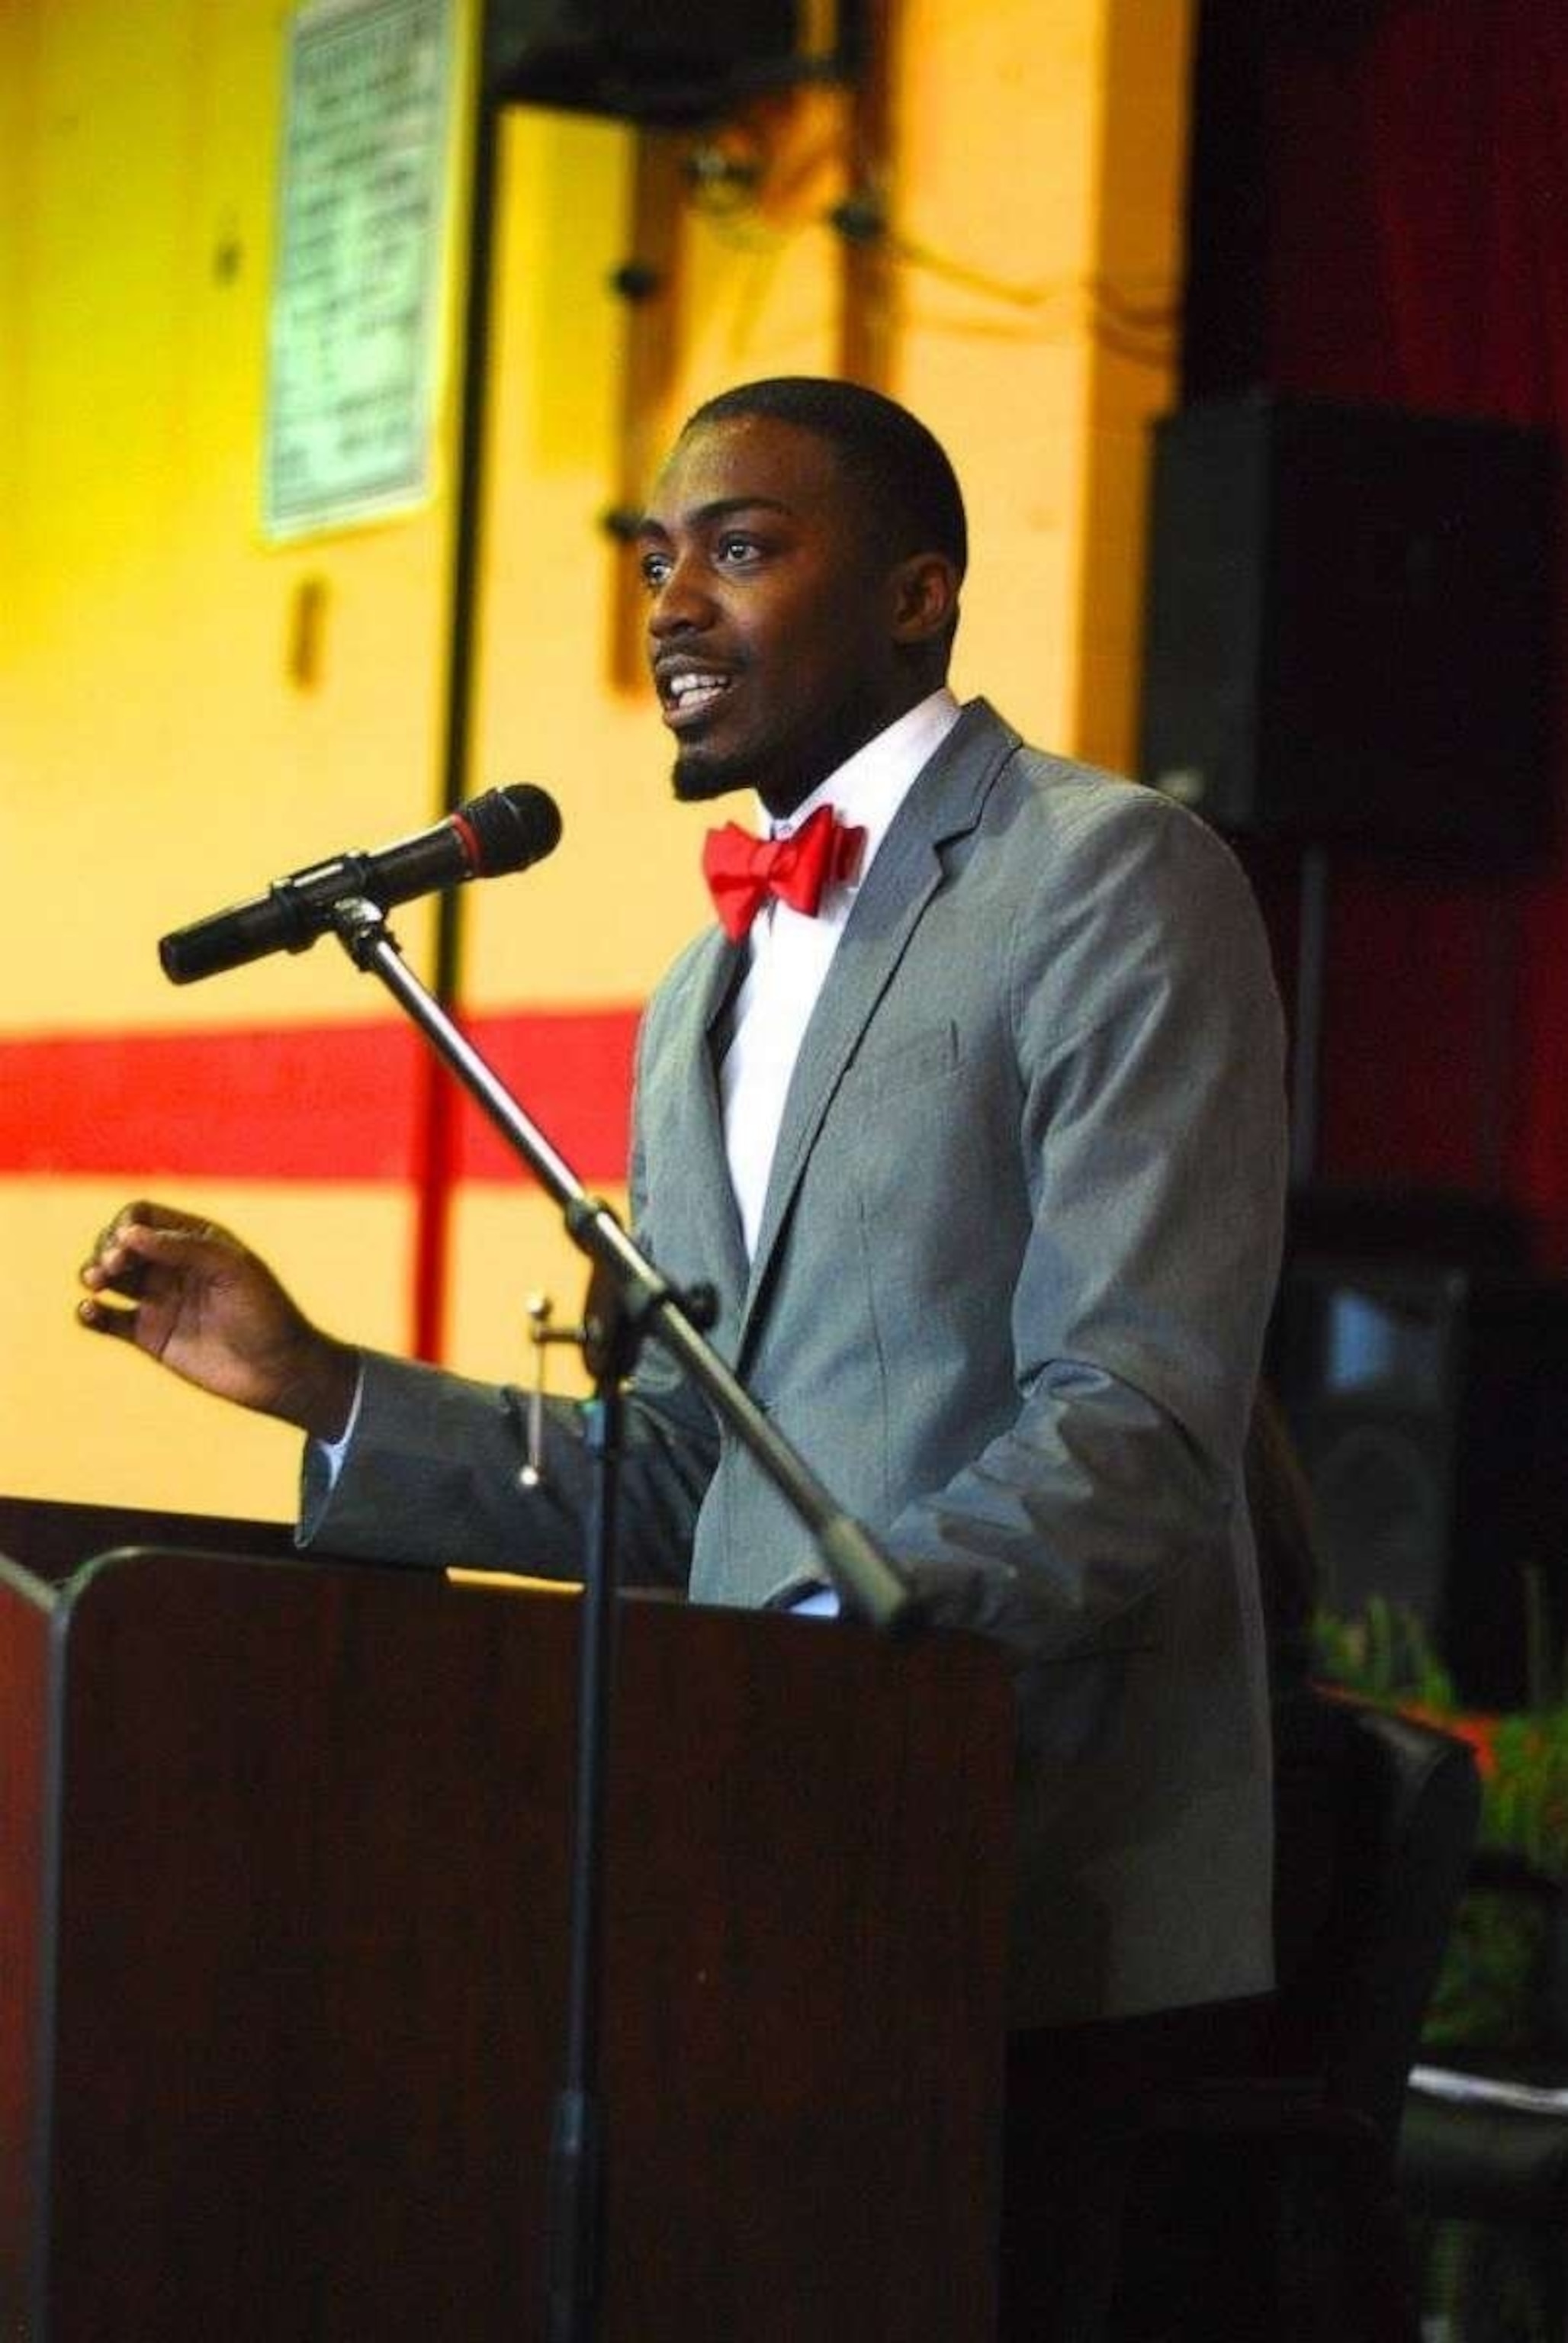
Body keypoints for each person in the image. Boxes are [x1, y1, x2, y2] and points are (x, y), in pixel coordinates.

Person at [79, 377, 1287, 2329]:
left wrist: (811, 1667)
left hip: (1018, 1892)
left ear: (915, 594)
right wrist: (319, 1387)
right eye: (656, 559)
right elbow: (682, 1468)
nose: (670, 604)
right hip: (751, 1887)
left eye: (737, 546)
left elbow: (1133, 1427)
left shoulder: (1112, 880)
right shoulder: (694, 996)